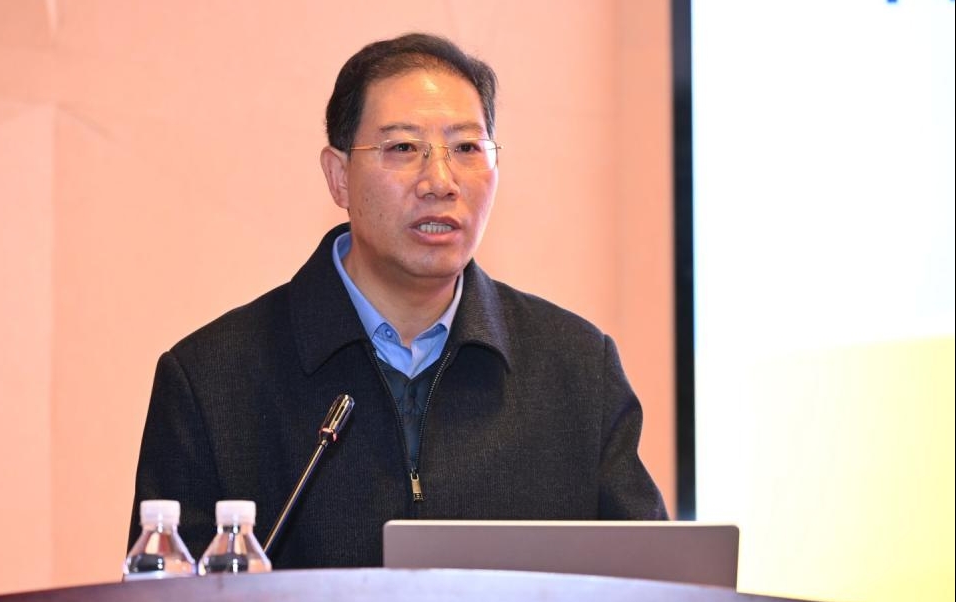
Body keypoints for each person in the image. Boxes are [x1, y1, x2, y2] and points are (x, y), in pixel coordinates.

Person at [128, 32, 668, 569]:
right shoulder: (212, 380)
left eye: (467, 148)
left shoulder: (577, 369)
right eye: (404, 148)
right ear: (339, 177)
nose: (440, 182)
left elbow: (659, 594)